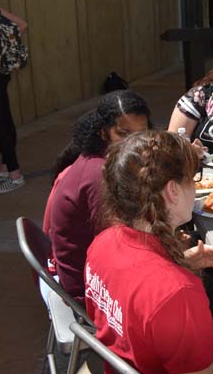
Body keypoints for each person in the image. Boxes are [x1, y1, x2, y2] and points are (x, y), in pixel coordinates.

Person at [87, 130, 213, 374]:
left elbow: (137, 298)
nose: (196, 186)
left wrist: (180, 262)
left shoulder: (102, 243)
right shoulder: (177, 293)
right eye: (193, 178)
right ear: (173, 190)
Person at [48, 90, 150, 305]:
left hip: (94, 275)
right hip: (92, 292)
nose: (134, 143)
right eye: (124, 133)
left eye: (141, 134)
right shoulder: (100, 176)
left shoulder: (100, 162)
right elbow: (120, 245)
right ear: (103, 133)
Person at [0, 5, 28, 194]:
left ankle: (15, 175)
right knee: (4, 120)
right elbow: (22, 25)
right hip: (1, 75)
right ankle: (6, 168)